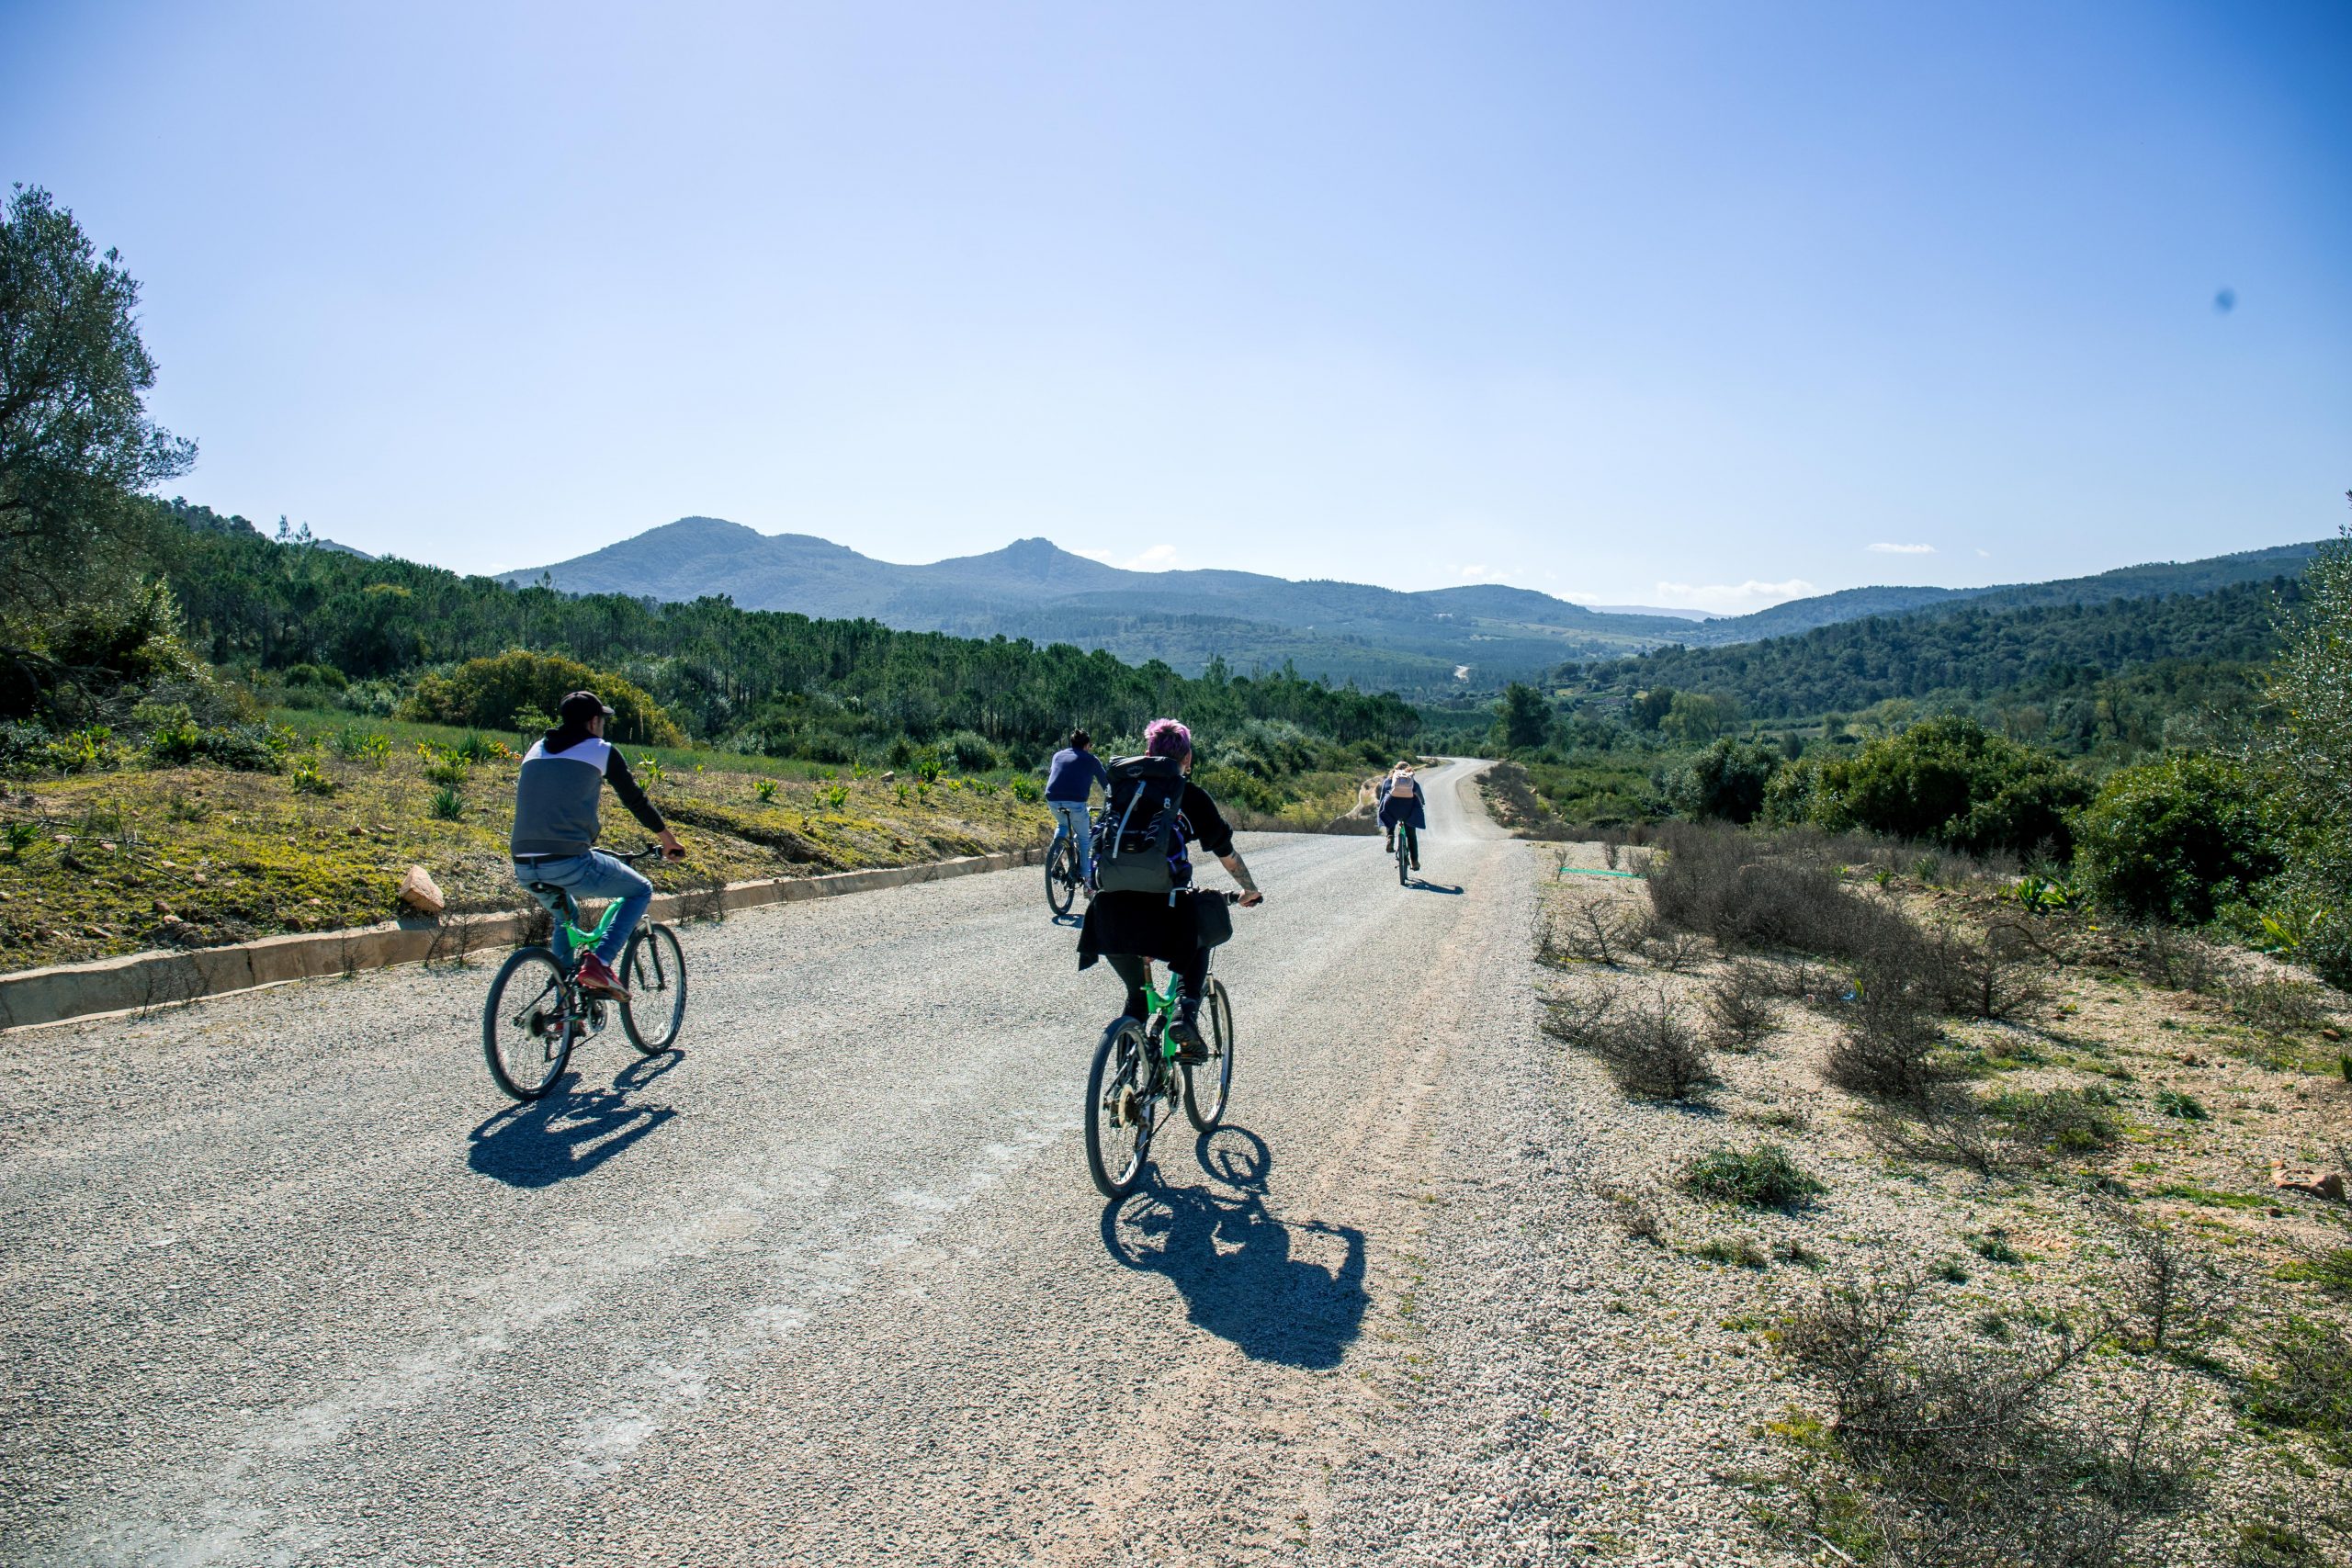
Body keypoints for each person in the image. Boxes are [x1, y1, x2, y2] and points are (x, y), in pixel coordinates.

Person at [1077, 718, 1264, 1060]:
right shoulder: (1190, 797)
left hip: (1108, 915)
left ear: (1148, 753)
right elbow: (1227, 855)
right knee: (1201, 932)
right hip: (1166, 913)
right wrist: (1249, 890)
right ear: (1187, 759)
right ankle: (1185, 1014)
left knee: (1136, 999)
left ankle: (1126, 1096)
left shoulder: (1120, 792)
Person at [509, 691, 685, 999]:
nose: (603, 726)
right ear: (593, 722)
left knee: (567, 918)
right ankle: (600, 963)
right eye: (602, 720)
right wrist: (668, 841)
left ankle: (564, 1010)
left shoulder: (536, 749)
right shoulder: (600, 750)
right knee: (640, 889)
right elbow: (635, 800)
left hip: (524, 863)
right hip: (567, 861)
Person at [1043, 728, 1111, 888]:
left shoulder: (1057, 755)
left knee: (1063, 824)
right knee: (1084, 839)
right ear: (1087, 745)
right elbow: (1107, 785)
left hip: (1052, 799)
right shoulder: (1091, 760)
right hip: (1076, 803)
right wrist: (1113, 799)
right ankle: (1088, 883)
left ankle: (1056, 852)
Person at [1377, 761, 1426, 871]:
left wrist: (1382, 807)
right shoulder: (1411, 780)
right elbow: (1420, 796)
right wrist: (1422, 803)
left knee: (1390, 816)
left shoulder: (1389, 780)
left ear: (1395, 769)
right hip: (1408, 810)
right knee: (1411, 835)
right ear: (1408, 769)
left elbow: (1382, 798)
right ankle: (1414, 862)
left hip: (1392, 806)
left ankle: (1390, 837)